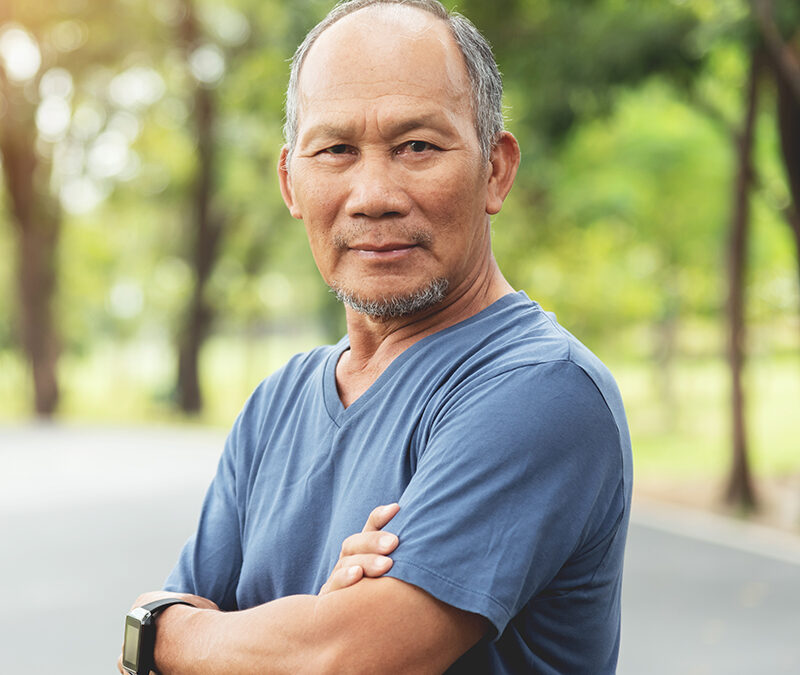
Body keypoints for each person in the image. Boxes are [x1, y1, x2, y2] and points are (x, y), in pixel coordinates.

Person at [118, 0, 633, 672]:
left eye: (417, 146)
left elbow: (341, 659)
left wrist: (167, 634)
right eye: (335, 150)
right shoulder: (277, 404)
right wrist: (311, 630)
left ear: (496, 170)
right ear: (290, 181)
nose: (373, 194)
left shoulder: (542, 388)